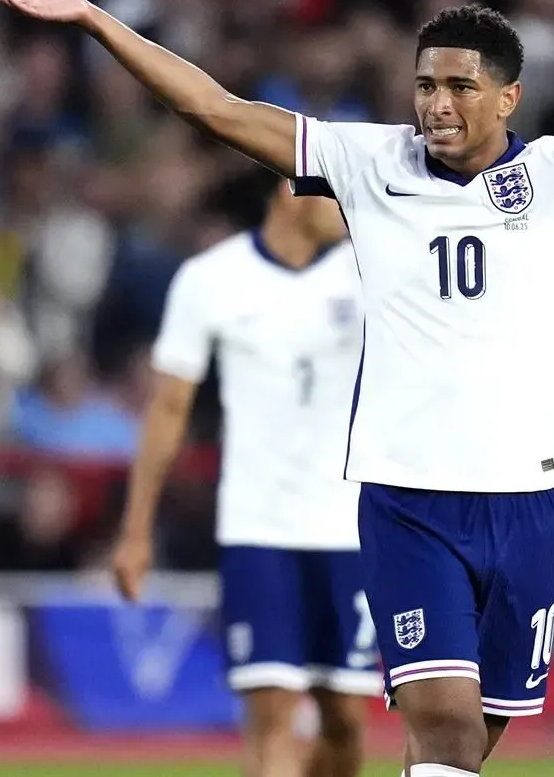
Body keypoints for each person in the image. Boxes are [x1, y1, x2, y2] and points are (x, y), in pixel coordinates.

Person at [0, 0, 554, 776]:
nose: (436, 104)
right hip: (408, 500)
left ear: (509, 96)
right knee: (439, 717)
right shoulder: (370, 164)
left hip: (524, 504)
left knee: (468, 743)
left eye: (460, 87)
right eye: (426, 84)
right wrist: (98, 21)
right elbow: (217, 109)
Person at [113, 179, 374, 777]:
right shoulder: (211, 280)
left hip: (350, 531)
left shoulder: (370, 277)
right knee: (272, 715)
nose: (349, 207)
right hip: (258, 528)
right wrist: (135, 530)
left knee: (345, 722)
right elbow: (168, 406)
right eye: (335, 190)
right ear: (289, 191)